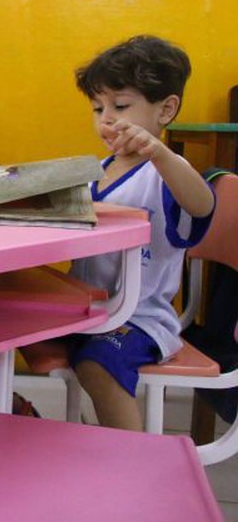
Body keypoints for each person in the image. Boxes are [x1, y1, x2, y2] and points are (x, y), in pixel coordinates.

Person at [68, 34, 215, 430]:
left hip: (141, 318)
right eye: (98, 108)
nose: (106, 120)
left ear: (166, 109)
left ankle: (133, 462)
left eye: (120, 106)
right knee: (1, 329)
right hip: (85, 310)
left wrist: (160, 152)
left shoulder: (164, 173)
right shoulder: (94, 172)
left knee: (97, 364)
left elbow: (201, 204)